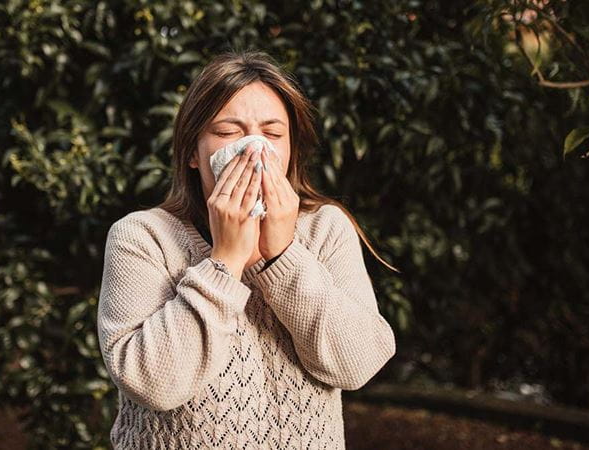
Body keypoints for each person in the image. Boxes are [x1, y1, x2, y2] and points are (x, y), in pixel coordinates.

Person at [97, 49, 397, 449]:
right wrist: (225, 260)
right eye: (227, 132)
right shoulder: (142, 237)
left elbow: (356, 365)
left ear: (290, 148)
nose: (253, 150)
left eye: (272, 134)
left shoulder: (326, 229)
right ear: (191, 151)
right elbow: (154, 384)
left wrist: (282, 256)